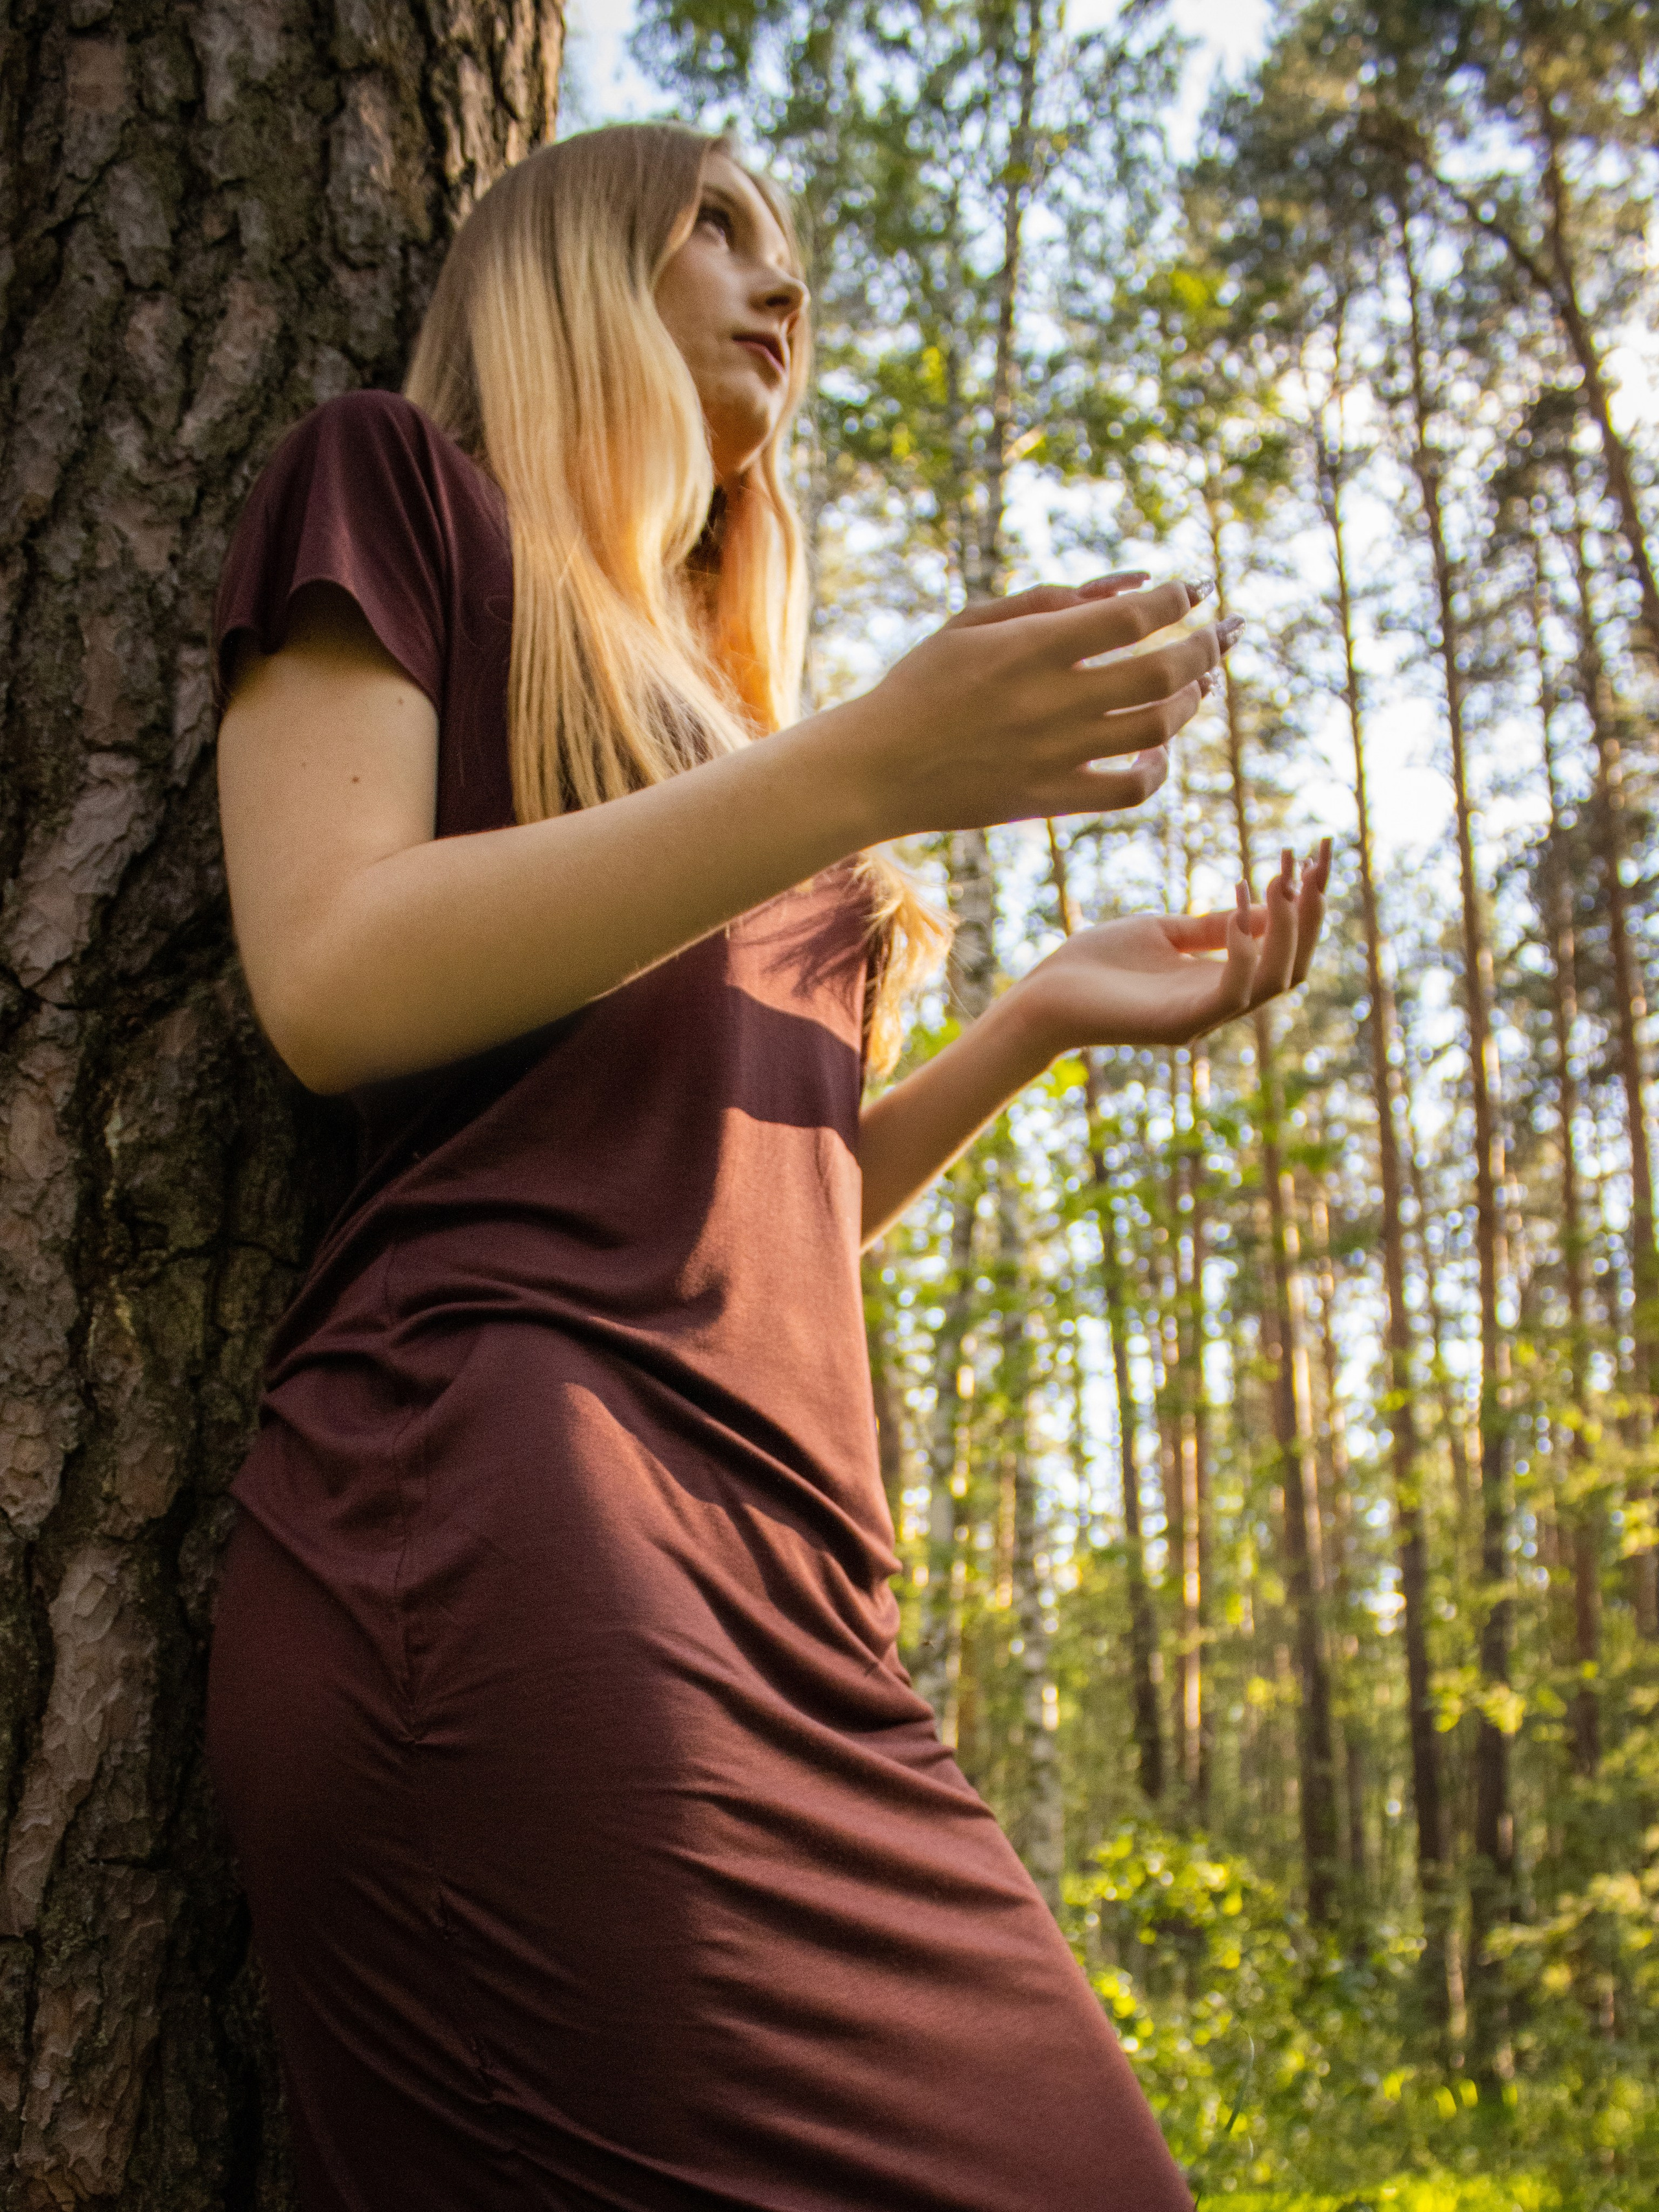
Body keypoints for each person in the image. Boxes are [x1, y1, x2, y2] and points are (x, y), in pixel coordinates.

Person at [205, 121, 1329, 2212]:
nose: (779, 284)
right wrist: (867, 767)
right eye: (713, 226)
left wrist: (1026, 1024)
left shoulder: (734, 720)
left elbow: (746, 1217)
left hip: (799, 1589)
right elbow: (333, 977)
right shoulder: (400, 485)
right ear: (564, 264)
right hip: (520, 1518)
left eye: (786, 247)